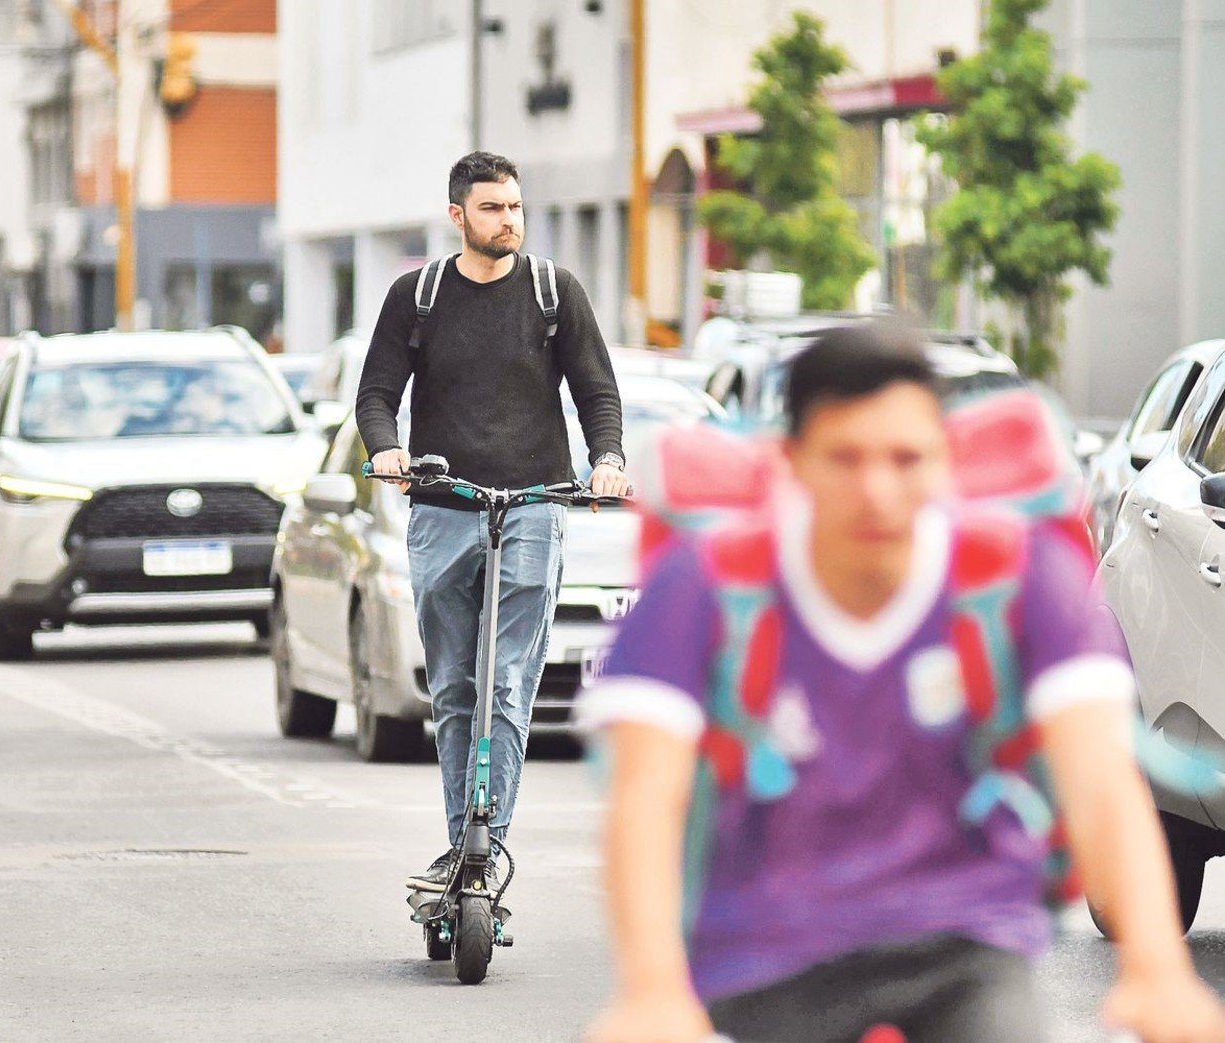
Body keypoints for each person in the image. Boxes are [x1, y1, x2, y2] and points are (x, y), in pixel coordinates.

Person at [580, 325, 1225, 1043]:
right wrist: (650, 990)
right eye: (845, 458)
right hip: (768, 943)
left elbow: (1101, 777)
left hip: (962, 943)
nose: (877, 490)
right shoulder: (707, 582)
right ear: (790, 461)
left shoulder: (1012, 577)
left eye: (905, 458)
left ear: (943, 461)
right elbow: (645, 795)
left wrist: (1159, 971)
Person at [357, 150, 630, 893]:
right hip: (444, 510)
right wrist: (388, 451)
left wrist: (605, 458)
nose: (507, 220)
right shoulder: (416, 296)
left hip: (535, 505)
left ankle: (483, 851)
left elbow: (596, 393)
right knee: (452, 687)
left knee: (507, 683)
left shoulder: (553, 293)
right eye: (491, 209)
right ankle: (458, 842)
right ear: (457, 216)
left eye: (513, 207)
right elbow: (376, 395)